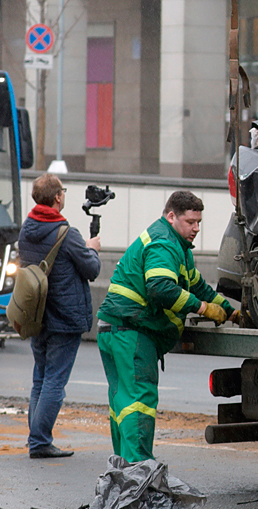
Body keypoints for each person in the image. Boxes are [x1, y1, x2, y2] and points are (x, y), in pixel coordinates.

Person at [96, 190, 236, 462]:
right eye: (190, 222)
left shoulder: (176, 247)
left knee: (122, 404)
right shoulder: (164, 244)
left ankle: (124, 470)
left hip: (114, 329)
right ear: (171, 216)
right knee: (139, 403)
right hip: (132, 332)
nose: (196, 228)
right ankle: (140, 472)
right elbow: (161, 289)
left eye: (199, 222)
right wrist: (205, 309)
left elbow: (198, 286)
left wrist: (230, 311)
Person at [20, 174, 102, 458]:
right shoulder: (66, 234)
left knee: (40, 378)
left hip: (37, 314)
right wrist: (93, 249)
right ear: (57, 198)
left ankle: (36, 438)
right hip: (64, 318)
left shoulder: (26, 229)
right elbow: (91, 270)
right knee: (54, 380)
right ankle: (40, 442)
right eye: (63, 192)